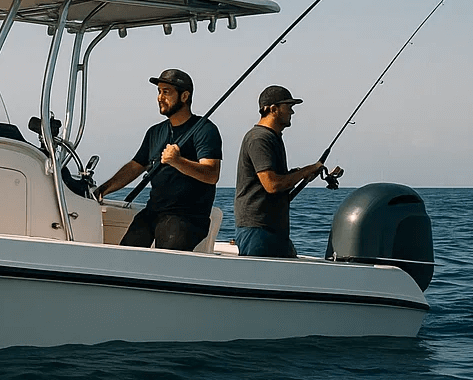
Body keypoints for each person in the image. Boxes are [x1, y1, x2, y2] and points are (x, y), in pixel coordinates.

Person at [93, 69, 222, 251]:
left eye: (166, 92)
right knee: (125, 256)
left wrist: (178, 161)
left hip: (187, 217)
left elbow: (211, 174)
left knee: (165, 258)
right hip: (154, 212)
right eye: (159, 91)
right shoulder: (154, 132)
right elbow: (135, 166)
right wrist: (102, 190)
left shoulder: (205, 130)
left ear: (185, 96)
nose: (160, 98)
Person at [233, 85, 332, 258]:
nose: (292, 112)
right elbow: (272, 184)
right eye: (289, 107)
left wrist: (301, 173)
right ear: (273, 109)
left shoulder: (272, 137)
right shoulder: (259, 138)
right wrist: (306, 170)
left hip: (272, 229)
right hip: (258, 229)